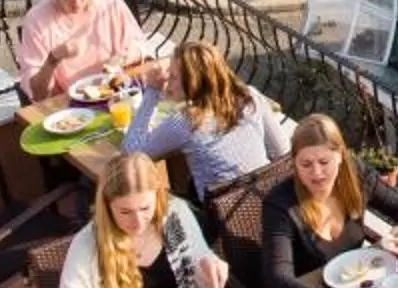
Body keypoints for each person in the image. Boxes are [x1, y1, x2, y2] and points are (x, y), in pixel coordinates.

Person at [45, 154, 227, 288]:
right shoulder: (87, 246)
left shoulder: (175, 213)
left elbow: (200, 280)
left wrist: (208, 269)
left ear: (158, 196)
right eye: (125, 212)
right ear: (106, 205)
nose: (138, 222)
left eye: (145, 208)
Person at [258, 114, 398, 288]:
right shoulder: (279, 205)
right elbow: (277, 279)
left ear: (341, 155)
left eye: (324, 162)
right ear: (294, 162)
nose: (317, 173)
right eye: (306, 164)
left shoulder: (356, 175)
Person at [116, 41, 292, 198]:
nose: (168, 79)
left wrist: (152, 91)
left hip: (220, 220)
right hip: (268, 203)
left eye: (174, 76)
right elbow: (283, 153)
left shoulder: (186, 121)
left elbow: (132, 154)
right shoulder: (249, 96)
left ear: (192, 82)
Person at [12, 0, 148, 103]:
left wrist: (121, 58)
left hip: (117, 93)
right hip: (69, 104)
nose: (77, 3)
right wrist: (53, 59)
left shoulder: (109, 2)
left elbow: (141, 46)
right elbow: (38, 94)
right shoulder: (36, 20)